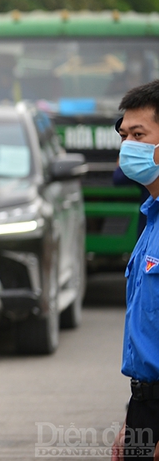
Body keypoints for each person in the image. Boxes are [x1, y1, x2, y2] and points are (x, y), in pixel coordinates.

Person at [111, 79, 159, 461]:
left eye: (139, 134)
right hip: (144, 403)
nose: (128, 145)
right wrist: (133, 420)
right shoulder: (150, 219)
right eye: (125, 135)